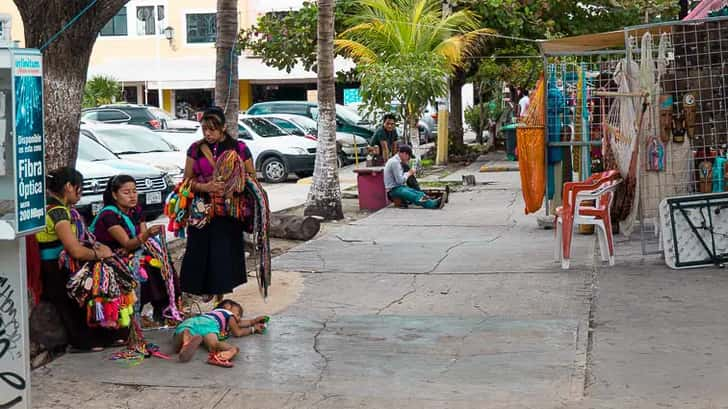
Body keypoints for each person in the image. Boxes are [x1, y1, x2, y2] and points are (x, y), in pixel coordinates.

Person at [180, 106, 255, 301]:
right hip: (202, 211)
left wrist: (233, 184)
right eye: (204, 129)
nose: (208, 133)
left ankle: (220, 296)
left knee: (223, 252)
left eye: (212, 129)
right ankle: (203, 290)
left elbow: (252, 178)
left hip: (229, 211)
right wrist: (206, 187)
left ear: (223, 128)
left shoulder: (239, 148)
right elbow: (186, 181)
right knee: (200, 249)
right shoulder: (195, 149)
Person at [36, 167, 115, 351]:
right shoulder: (58, 212)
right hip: (54, 267)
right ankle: (84, 342)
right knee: (71, 304)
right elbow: (75, 251)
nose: (81, 193)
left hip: (55, 265)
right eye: (81, 187)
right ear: (69, 187)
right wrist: (100, 254)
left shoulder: (54, 207)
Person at [89, 174, 175, 325]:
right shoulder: (109, 215)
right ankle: (137, 313)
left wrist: (145, 237)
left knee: (162, 261)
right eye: (126, 192)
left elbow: (140, 238)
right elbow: (128, 242)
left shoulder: (135, 210)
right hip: (109, 256)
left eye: (134, 191)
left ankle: (165, 309)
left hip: (131, 251)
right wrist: (146, 235)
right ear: (115, 195)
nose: (132, 196)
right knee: (145, 267)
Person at [173, 299, 268, 367]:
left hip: (192, 321)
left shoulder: (214, 314)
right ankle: (231, 350)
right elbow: (237, 332)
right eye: (238, 314)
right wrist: (253, 329)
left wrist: (254, 321)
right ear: (227, 306)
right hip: (209, 325)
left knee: (185, 331)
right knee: (214, 344)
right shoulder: (228, 314)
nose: (239, 318)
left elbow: (241, 323)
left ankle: (185, 339)